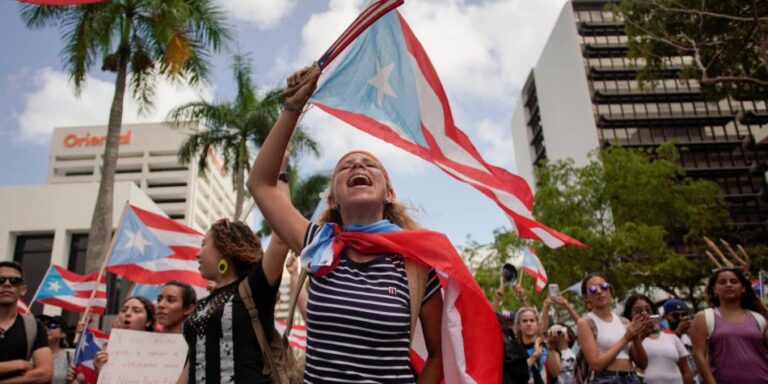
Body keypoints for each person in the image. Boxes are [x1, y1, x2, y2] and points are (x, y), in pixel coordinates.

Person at [247, 67, 445, 383]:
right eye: (344, 167)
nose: (356, 165)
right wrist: (293, 107)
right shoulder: (317, 242)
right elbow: (260, 183)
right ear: (333, 200)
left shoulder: (417, 264)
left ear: (389, 193)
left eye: (370, 164)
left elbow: (437, 355)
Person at [178, 219, 290, 384]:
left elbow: (281, 236)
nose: (198, 254)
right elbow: (193, 362)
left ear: (225, 247)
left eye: (204, 244)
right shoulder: (201, 305)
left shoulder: (255, 288)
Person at [689, 267, 768, 383]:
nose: (728, 285)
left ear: (743, 288)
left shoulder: (759, 318)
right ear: (714, 288)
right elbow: (699, 355)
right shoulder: (704, 317)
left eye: (734, 281)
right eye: (722, 282)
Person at [576, 274, 650, 383]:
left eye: (604, 286)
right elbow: (596, 365)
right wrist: (626, 338)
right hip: (607, 379)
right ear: (586, 297)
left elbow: (642, 363)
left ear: (610, 291)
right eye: (592, 289)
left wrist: (635, 336)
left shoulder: (623, 321)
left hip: (631, 377)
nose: (599, 291)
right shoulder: (585, 323)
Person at [0, 261, 52, 383]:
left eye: (14, 281)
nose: (7, 284)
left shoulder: (33, 326)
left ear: (23, 290)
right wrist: (16, 365)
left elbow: (45, 373)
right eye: (0, 280)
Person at [622, 294, 692, 384]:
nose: (645, 313)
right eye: (639, 311)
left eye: (648, 309)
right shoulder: (626, 340)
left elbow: (685, 371)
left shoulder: (671, 336)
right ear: (629, 315)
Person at [515, 307, 560, 384]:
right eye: (524, 321)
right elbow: (516, 375)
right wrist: (535, 356)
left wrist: (551, 347)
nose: (528, 324)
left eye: (532, 320)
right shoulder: (514, 349)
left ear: (537, 324)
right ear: (519, 325)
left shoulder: (548, 345)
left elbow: (555, 373)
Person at [661, 299, 700, 383]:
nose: (680, 318)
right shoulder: (661, 332)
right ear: (665, 316)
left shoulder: (692, 331)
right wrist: (679, 332)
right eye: (675, 315)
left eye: (684, 314)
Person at [37, 315, 74, 384]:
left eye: (52, 325)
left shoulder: (71, 354)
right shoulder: (32, 355)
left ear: (63, 334)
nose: (46, 328)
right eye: (43, 325)